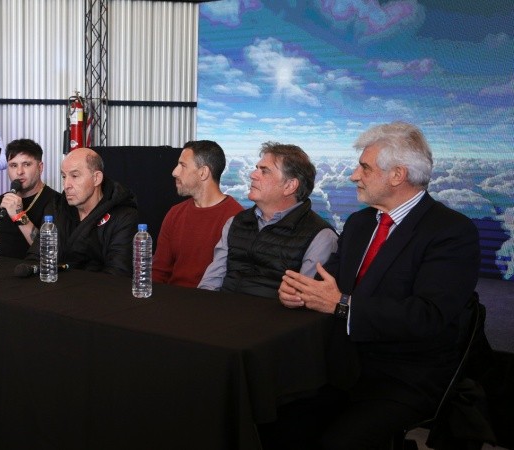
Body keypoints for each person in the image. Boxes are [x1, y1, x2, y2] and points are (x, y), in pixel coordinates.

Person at [276, 122, 481, 449]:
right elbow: (328, 281)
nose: (354, 175)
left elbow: (427, 316)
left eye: (365, 168)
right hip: (343, 366)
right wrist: (302, 292)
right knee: (271, 423)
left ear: (397, 175)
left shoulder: (451, 232)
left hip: (404, 377)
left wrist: (340, 304)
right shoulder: (359, 223)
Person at [198, 142, 337, 298]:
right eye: (257, 168)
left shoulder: (321, 238)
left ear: (290, 186)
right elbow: (210, 283)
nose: (252, 175)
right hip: (221, 314)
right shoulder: (235, 223)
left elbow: (305, 302)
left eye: (264, 171)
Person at [25, 148, 139, 276]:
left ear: (96, 178)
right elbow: (36, 257)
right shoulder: (57, 208)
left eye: (74, 176)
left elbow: (118, 272)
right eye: (64, 176)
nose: (66, 184)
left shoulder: (123, 215)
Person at [152, 140, 243, 288]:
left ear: (203, 172)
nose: (174, 172)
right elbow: (159, 271)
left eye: (183, 165)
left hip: (211, 305)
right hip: (170, 301)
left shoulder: (237, 217)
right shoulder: (175, 213)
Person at [0, 139, 58, 258]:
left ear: (40, 167)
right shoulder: (1, 201)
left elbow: (48, 251)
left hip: (33, 271)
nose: (19, 172)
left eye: (26, 164)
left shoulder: (56, 201)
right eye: (13, 165)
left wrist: (19, 216)